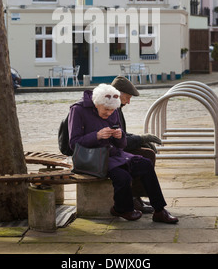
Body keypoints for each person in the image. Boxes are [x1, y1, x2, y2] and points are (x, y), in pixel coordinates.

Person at [68, 83, 178, 224]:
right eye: (106, 110)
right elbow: (73, 143)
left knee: (146, 164)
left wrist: (120, 137)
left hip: (115, 155)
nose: (109, 113)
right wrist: (97, 135)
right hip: (93, 159)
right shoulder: (78, 110)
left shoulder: (114, 110)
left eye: (112, 110)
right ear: (96, 103)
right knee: (123, 177)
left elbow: (122, 145)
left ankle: (159, 210)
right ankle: (122, 209)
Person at [111, 75, 162, 213]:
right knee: (146, 155)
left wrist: (141, 139)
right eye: (127, 97)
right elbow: (121, 142)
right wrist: (141, 139)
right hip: (110, 153)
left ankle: (137, 196)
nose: (128, 102)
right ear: (118, 94)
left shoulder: (117, 108)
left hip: (115, 148)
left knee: (146, 151)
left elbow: (122, 133)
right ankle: (133, 198)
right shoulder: (111, 109)